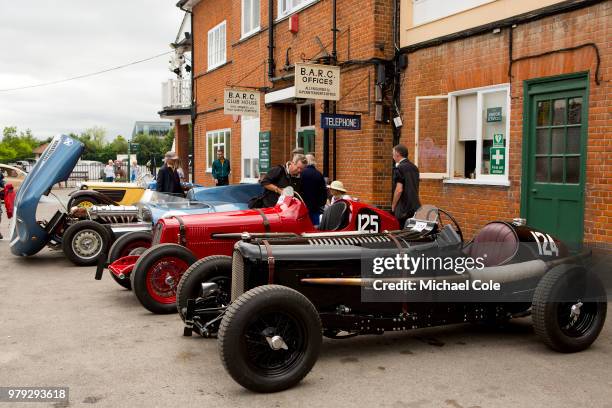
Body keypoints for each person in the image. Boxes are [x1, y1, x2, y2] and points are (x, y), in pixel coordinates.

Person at [391, 144, 421, 228]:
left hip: (403, 208)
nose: (393, 156)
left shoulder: (399, 168)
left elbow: (399, 190)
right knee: (411, 233)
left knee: (400, 233)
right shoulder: (415, 168)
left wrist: (393, 205)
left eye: (393, 154)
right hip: (415, 206)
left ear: (398, 154)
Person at [300, 154, 327, 226]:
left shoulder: (301, 173)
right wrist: (322, 204)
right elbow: (324, 191)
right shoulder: (319, 174)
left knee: (304, 227)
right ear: (314, 162)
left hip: (303, 206)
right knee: (315, 227)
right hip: (315, 207)